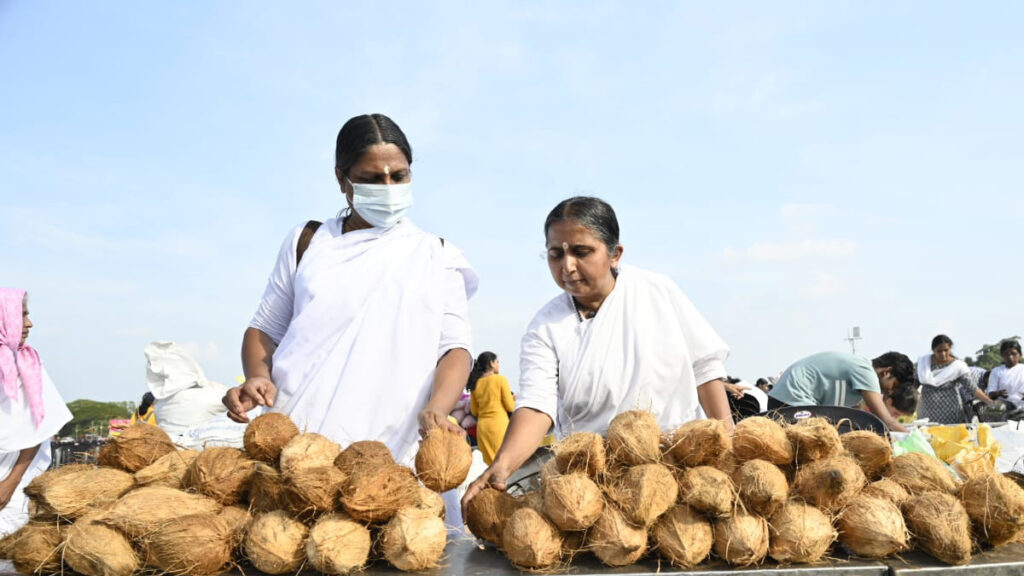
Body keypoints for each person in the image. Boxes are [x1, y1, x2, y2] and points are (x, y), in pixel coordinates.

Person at [222, 114, 477, 511]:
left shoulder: (436, 254)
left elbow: (455, 350)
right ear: (342, 180)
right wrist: (257, 376)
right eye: (372, 179)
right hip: (300, 452)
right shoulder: (308, 242)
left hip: (393, 458)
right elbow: (263, 329)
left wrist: (437, 409)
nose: (388, 187)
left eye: (399, 175)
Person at [463, 196, 733, 505]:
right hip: (590, 484)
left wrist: (728, 444)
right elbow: (538, 405)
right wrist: (503, 465)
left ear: (615, 254)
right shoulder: (545, 327)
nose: (567, 266)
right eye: (555, 254)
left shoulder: (657, 292)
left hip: (681, 471)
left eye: (581, 252)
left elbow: (705, 370)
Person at [0, 289, 72, 537]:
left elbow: (37, 430)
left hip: (7, 483)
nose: (29, 323)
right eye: (21, 316)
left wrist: (10, 484)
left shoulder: (27, 364)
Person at [767, 350, 916, 432]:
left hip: (782, 399)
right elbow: (887, 422)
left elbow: (853, 419)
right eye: (894, 384)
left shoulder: (858, 387)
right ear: (887, 372)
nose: (891, 391)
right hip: (793, 401)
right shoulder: (866, 371)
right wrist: (913, 438)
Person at [917, 335, 993, 424]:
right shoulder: (924, 363)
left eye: (946, 350)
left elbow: (972, 388)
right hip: (927, 410)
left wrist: (989, 402)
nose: (943, 354)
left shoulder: (958, 366)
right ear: (933, 350)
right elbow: (915, 383)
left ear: (950, 349)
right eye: (939, 351)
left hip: (951, 412)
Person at [468, 352, 514, 465]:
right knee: (503, 465)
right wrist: (513, 399)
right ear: (491, 363)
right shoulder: (500, 380)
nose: (498, 364)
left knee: (488, 467)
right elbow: (510, 406)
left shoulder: (476, 384)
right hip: (499, 425)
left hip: (482, 428)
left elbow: (474, 411)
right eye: (497, 362)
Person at [988, 339, 1024, 409]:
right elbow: (990, 394)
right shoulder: (996, 371)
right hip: (1004, 411)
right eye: (1006, 354)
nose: (1010, 357)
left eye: (1013, 354)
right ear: (1002, 356)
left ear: (1020, 355)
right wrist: (998, 393)